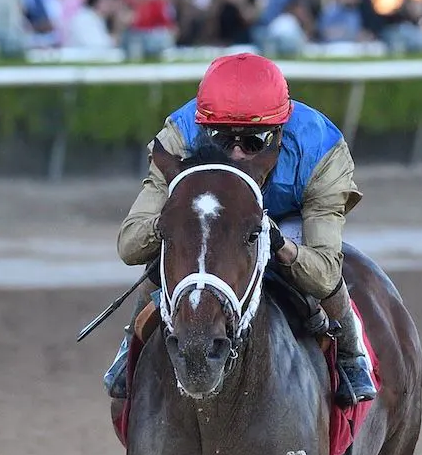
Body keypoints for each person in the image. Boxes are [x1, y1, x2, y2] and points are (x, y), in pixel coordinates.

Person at [105, 51, 378, 411]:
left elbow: (326, 271)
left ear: (279, 130)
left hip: (286, 217)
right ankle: (131, 345)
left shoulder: (321, 151)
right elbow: (130, 244)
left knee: (315, 278)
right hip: (212, 215)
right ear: (204, 128)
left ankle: (349, 351)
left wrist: (279, 243)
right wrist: (173, 223)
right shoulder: (179, 136)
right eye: (222, 139)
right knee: (176, 249)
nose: (236, 154)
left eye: (252, 142)